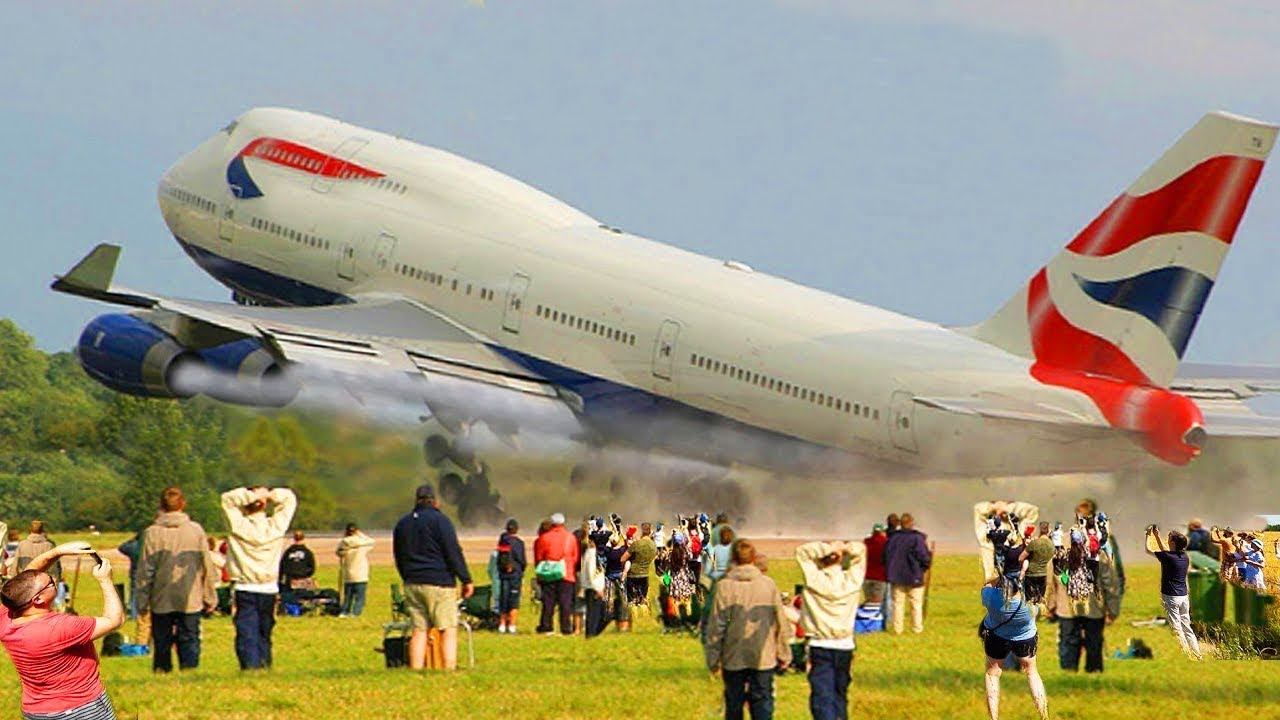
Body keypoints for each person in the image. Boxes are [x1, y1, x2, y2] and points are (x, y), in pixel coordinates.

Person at [0, 541, 123, 719]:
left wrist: (56, 552)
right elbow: (114, 620)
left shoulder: (6, 617)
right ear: (38, 600)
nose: (55, 580)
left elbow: (24, 581)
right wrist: (106, 580)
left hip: (36, 711)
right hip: (81, 708)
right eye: (51, 582)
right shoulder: (60, 627)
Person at [703, 539, 790, 720]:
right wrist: (784, 653)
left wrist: (713, 658)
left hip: (733, 654)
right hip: (763, 653)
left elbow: (717, 625)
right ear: (753, 558)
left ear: (733, 558)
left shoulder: (724, 586)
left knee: (734, 703)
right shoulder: (768, 584)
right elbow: (779, 621)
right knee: (763, 701)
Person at [392, 483, 474, 670]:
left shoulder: (402, 524)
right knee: (447, 629)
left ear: (416, 500)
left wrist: (407, 576)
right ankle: (448, 669)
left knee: (419, 630)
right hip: (439, 582)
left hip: (413, 582)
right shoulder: (441, 521)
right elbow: (453, 552)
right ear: (435, 501)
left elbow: (399, 555)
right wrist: (466, 579)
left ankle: (416, 669)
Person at [136, 487, 217, 673]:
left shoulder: (152, 532)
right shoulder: (195, 530)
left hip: (161, 595)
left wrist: (142, 600)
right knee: (190, 636)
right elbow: (206, 565)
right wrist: (210, 596)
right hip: (190, 594)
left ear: (161, 505)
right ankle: (189, 671)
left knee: (162, 639)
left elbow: (145, 570)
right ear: (183, 504)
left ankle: (162, 670)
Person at [222, 485, 298, 671]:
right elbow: (289, 498)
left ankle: (250, 666)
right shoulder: (275, 526)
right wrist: (269, 495)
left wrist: (252, 495)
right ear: (264, 506)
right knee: (265, 630)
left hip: (244, 585)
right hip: (268, 587)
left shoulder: (238, 525)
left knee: (246, 630)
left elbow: (227, 499)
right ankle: (264, 664)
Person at [795, 540, 866, 720]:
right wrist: (844, 547)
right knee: (840, 692)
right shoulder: (852, 581)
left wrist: (828, 548)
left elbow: (802, 552)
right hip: (844, 644)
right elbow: (861, 551)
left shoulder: (813, 579)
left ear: (821, 560)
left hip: (820, 642)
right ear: (840, 560)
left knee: (822, 694)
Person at [980, 575, 1048, 720]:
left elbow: (985, 586)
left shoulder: (992, 597)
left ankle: (994, 717)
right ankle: (1044, 715)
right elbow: (1042, 607)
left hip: (997, 637)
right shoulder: (1028, 604)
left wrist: (997, 577)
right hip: (1026, 639)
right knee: (1032, 672)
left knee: (992, 674)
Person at [1045, 546, 1120, 673]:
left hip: (1067, 606)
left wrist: (1050, 605)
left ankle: (1068, 673)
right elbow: (1110, 583)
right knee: (1094, 642)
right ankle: (1094, 672)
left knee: (1068, 641)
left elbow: (1051, 581)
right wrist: (1112, 610)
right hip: (1093, 606)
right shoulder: (1098, 553)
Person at [1145, 526, 1201, 659]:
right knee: (1186, 627)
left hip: (1171, 597)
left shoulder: (1167, 557)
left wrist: (1148, 535)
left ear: (1173, 543)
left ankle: (1186, 656)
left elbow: (1148, 549)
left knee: (1176, 628)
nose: (1167, 540)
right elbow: (1166, 550)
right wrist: (1157, 536)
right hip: (1183, 596)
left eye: (1169, 538)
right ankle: (1197, 654)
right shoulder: (1184, 557)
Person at [883, 513, 931, 634]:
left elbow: (885, 556)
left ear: (901, 524)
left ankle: (897, 629)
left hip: (896, 576)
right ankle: (917, 629)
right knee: (916, 604)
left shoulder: (893, 538)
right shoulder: (917, 538)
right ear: (911, 523)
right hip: (914, 575)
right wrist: (925, 566)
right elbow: (923, 556)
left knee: (898, 604)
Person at [533, 512, 579, 636]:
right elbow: (575, 557)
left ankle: (546, 627)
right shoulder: (570, 538)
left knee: (548, 602)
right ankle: (566, 628)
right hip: (566, 573)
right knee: (565, 603)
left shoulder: (544, 538)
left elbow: (539, 557)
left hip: (548, 573)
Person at [336, 523, 375, 618]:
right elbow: (372, 541)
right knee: (360, 597)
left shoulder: (344, 542)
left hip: (348, 574)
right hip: (361, 574)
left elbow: (338, 552)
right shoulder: (362, 545)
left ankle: (344, 612)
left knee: (348, 596)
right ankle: (355, 613)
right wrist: (360, 534)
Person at [496, 518, 526, 633]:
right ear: (516, 529)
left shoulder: (502, 541)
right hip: (515, 574)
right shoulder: (519, 543)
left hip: (503, 575)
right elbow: (522, 560)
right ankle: (512, 625)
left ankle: (502, 624)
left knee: (503, 599)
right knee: (514, 600)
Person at [1023, 523, 1055, 607]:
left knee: (1029, 601)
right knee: (1040, 600)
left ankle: (1030, 611)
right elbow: (1051, 557)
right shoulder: (1051, 545)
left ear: (1040, 530)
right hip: (1043, 574)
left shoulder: (1034, 543)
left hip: (1030, 573)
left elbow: (1021, 557)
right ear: (1048, 531)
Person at [626, 523, 657, 607]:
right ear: (650, 531)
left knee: (631, 601)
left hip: (632, 574)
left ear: (642, 531)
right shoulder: (654, 545)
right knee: (642, 599)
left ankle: (632, 613)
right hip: (645, 574)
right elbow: (653, 557)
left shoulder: (636, 544)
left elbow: (623, 558)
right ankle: (643, 612)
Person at [861, 524, 889, 608]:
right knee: (877, 602)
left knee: (868, 600)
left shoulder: (866, 542)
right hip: (880, 576)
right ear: (882, 532)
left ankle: (867, 615)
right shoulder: (886, 542)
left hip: (867, 575)